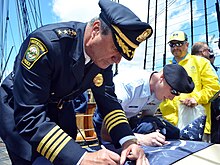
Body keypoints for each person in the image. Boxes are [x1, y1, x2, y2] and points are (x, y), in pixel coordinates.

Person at [0, 0, 153, 164]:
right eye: (116, 49)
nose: (117, 60)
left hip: (59, 109)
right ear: (95, 30)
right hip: (20, 110)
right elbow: (29, 115)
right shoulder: (46, 44)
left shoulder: (102, 59)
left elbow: (108, 102)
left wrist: (128, 140)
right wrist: (82, 158)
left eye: (123, 54)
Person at [93, 64, 194, 147]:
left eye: (177, 94)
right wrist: (141, 138)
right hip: (107, 120)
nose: (172, 97)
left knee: (169, 130)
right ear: (162, 77)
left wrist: (153, 134)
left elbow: (147, 118)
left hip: (129, 118)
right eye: (173, 91)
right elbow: (106, 134)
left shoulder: (159, 91)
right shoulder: (129, 85)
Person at [159, 31, 220, 142]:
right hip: (170, 127)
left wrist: (196, 98)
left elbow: (214, 88)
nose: (175, 47)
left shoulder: (201, 62)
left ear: (187, 45)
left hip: (196, 126)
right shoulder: (165, 68)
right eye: (172, 44)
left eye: (179, 44)